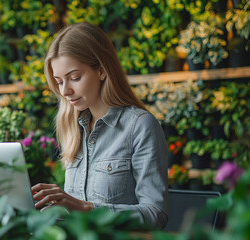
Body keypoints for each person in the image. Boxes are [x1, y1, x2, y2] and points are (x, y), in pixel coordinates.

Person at [31, 22, 168, 229]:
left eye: (74, 78)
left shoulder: (139, 126)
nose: (65, 91)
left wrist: (84, 208)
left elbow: (155, 214)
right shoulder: (72, 128)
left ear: (101, 71)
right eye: (59, 81)